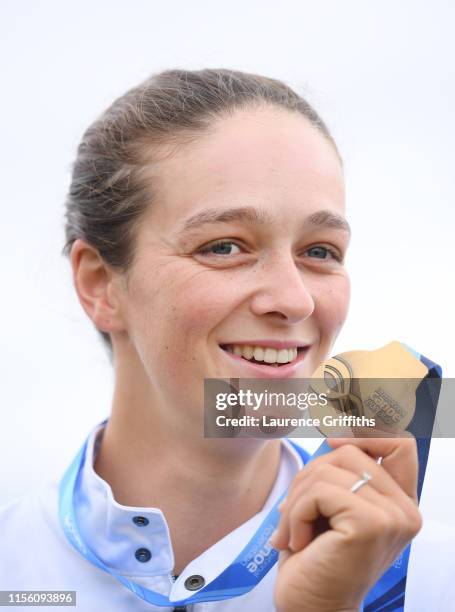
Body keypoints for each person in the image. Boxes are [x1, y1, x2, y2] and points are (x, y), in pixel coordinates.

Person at [0, 68, 453, 611]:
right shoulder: (13, 566)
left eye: (320, 250)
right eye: (223, 247)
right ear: (100, 284)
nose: (295, 299)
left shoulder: (432, 579)